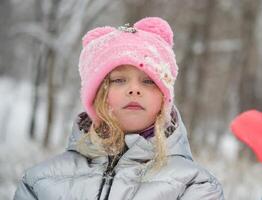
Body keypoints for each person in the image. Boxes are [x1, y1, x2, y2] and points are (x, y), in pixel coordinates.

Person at [14, 17, 224, 200]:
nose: (134, 89)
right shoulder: (40, 182)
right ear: (95, 94)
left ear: (164, 97)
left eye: (148, 81)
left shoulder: (194, 185)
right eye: (118, 80)